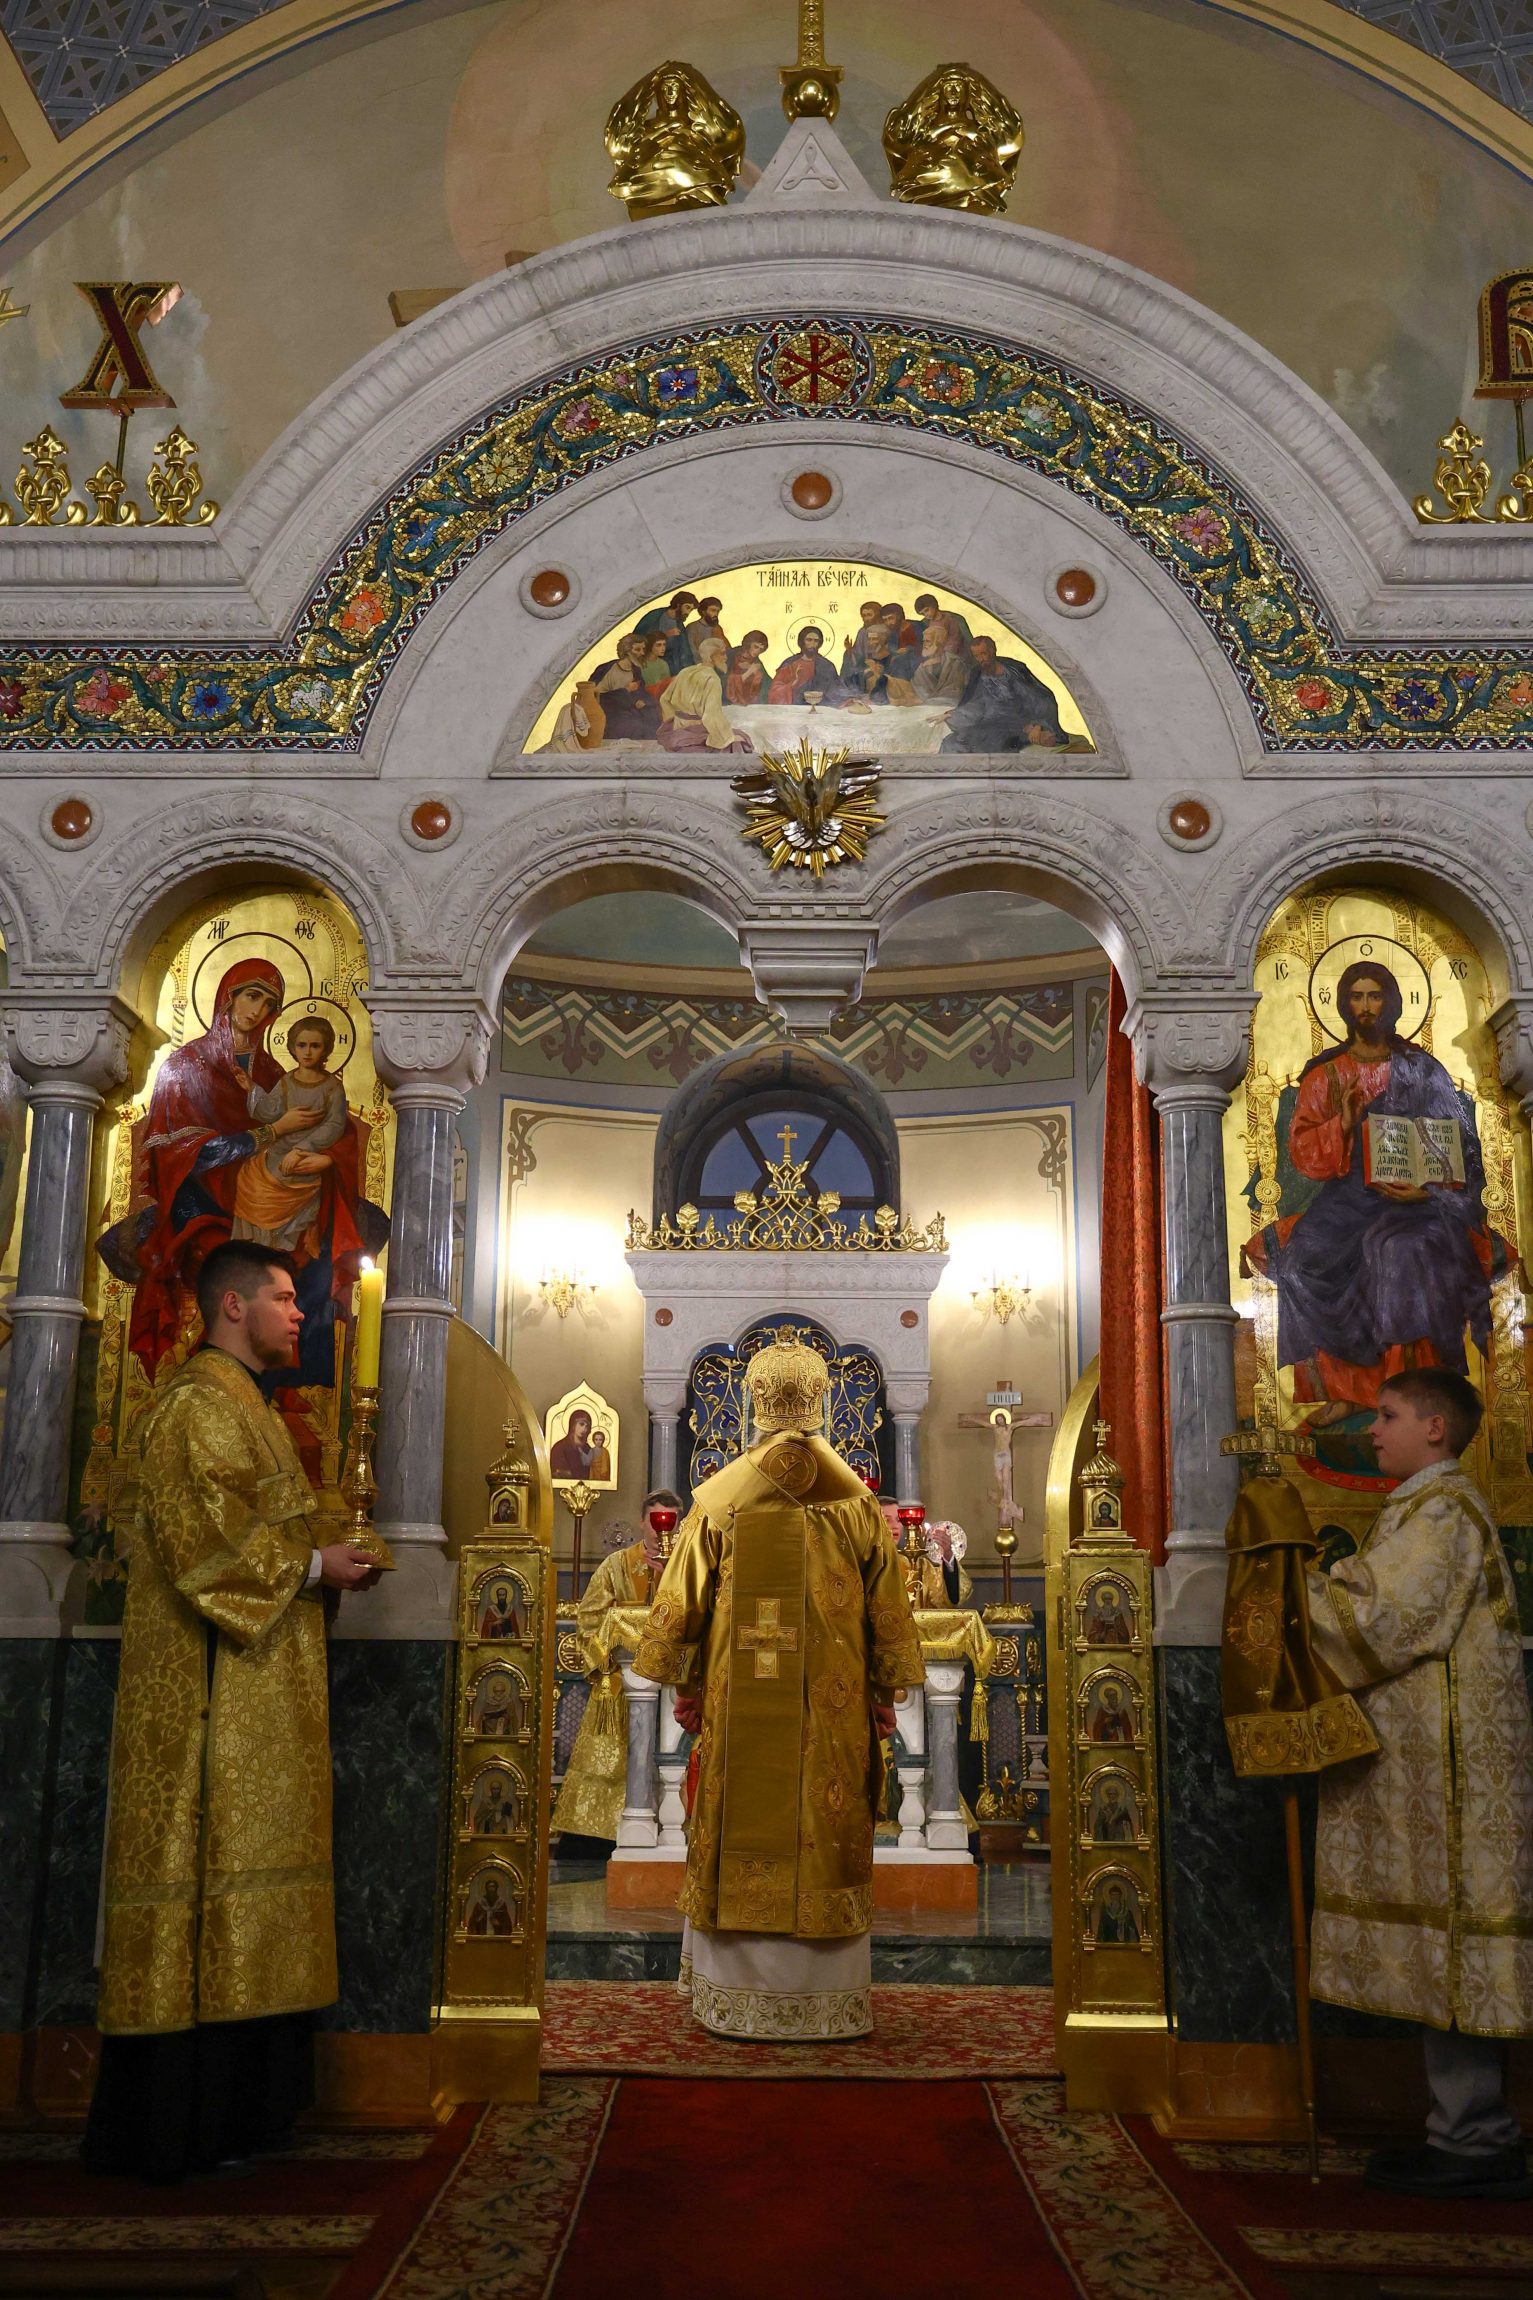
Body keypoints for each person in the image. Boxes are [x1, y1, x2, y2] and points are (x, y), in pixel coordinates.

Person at [83, 1242, 380, 2183]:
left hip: (261, 1695)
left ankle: (245, 2114)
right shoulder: (195, 1405)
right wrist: (315, 1564)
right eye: (284, 1298)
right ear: (233, 1307)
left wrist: (335, 1544)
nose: (301, 1313)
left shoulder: (248, 1405)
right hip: (209, 1703)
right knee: (202, 1880)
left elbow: (274, 1522)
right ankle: (185, 2126)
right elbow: (201, 1542)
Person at [634, 1336, 923, 2039]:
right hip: (833, 1706)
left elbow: (681, 1608)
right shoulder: (857, 1504)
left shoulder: (719, 1499)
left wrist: (687, 1681)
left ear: (753, 1403)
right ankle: (826, 1999)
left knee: (739, 1806)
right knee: (824, 1817)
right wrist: (882, 1693)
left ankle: (734, 1993)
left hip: (738, 1699)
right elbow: (888, 1611)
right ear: (821, 1399)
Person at [1306, 1368, 1533, 2199]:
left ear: (1434, 1428)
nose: (1371, 1430)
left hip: (1455, 1784)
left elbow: (1381, 1620)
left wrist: (1286, 1581)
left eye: (1388, 1415)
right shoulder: (1423, 1509)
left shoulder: (1442, 1512)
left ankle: (1475, 2141)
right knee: (1446, 1948)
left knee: (1458, 1943)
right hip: (1436, 1776)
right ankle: (1459, 2132)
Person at [97, 959, 384, 1396]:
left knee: (344, 1235)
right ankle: (226, 1370)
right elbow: (189, 1156)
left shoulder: (274, 1073)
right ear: (227, 997)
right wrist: (272, 1131)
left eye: (269, 1004)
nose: (257, 1011)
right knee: (240, 1255)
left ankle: (293, 1381)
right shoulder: (186, 1067)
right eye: (251, 996)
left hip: (277, 1184)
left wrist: (325, 1160)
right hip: (204, 1198)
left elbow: (330, 1128)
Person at [1243, 962, 1504, 1430]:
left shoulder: (1422, 1070)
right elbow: (1304, 1156)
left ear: (1393, 1002)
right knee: (1302, 1259)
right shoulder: (1327, 1075)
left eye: (1375, 996)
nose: (1366, 1007)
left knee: (1396, 1253)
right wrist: (1342, 1123)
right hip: (1350, 1197)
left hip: (1420, 1202)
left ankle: (1407, 1394)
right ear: (1345, 1005)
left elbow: (1460, 1146)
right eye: (1357, 997)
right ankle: (1346, 1393)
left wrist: (1426, 1192)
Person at [551, 1490, 683, 1850]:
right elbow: (589, 1617)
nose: (661, 1529)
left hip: (677, 1684)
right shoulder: (617, 1565)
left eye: (669, 1520)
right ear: (642, 1522)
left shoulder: (688, 1565)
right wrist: (606, 1661)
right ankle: (597, 1838)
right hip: (621, 1685)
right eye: (655, 1520)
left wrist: (671, 1577)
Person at [234, 1015, 348, 1252]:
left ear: (326, 1049)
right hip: (278, 1152)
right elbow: (269, 1111)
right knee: (250, 1179)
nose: (307, 1052)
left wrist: (301, 1149)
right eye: (302, 1045)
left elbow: (334, 1125)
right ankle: (258, 1249)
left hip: (307, 1155)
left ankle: (282, 1248)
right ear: (293, 1048)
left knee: (285, 1189)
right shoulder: (287, 1082)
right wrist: (251, 1089)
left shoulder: (332, 1087)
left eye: (315, 1046)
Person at [940, 635, 1068, 752]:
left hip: (1017, 726)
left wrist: (1038, 725)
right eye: (977, 656)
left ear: (993, 650)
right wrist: (954, 714)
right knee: (951, 742)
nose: (981, 659)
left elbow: (1041, 699)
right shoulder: (977, 674)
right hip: (988, 724)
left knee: (990, 743)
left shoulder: (1014, 671)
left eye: (984, 654)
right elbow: (976, 704)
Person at [656, 660, 753, 752]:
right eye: (722, 653)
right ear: (711, 657)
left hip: (677, 731)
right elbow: (711, 716)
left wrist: (673, 723)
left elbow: (664, 699)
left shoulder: (686, 671)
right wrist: (727, 738)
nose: (725, 658)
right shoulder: (712, 679)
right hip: (697, 731)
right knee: (741, 741)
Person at [589, 633, 661, 741]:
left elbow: (641, 692)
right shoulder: (607, 669)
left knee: (653, 715)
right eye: (637, 649)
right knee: (635, 724)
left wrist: (642, 701)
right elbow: (594, 697)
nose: (642, 653)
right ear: (626, 651)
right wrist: (625, 691)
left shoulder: (635, 670)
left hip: (629, 710)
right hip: (609, 714)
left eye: (643, 649)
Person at [767, 624, 855, 707]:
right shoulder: (790, 663)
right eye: (809, 640)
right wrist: (793, 684)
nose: (813, 644)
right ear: (802, 642)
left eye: (816, 641)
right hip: (795, 710)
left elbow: (836, 689)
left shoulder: (827, 665)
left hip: (821, 710)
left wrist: (851, 698)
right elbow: (775, 691)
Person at [635, 590, 700, 677]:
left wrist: (692, 671)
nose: (688, 612)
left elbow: (685, 650)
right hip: (649, 663)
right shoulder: (654, 616)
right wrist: (664, 635)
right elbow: (637, 638)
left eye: (691, 610)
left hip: (671, 664)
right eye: (687, 607)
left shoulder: (679, 625)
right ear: (678, 605)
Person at [725, 631, 770, 704]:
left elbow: (767, 683)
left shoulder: (756, 662)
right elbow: (723, 680)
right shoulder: (730, 655)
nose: (757, 651)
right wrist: (749, 672)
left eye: (761, 649)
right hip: (728, 702)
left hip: (749, 703)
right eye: (756, 647)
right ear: (749, 643)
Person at [550, 1408, 595, 1480]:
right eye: (581, 1424)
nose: (584, 1429)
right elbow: (557, 1473)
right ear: (573, 1425)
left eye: (587, 1426)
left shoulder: (588, 1449)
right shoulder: (559, 1447)